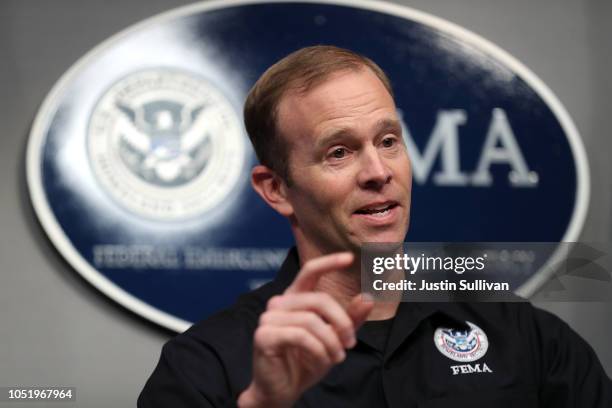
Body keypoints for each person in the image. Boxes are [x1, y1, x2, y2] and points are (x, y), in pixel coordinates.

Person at [138, 46, 612, 407]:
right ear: (276, 189)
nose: (378, 172)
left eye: (388, 141)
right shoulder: (206, 367)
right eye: (338, 152)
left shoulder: (524, 336)